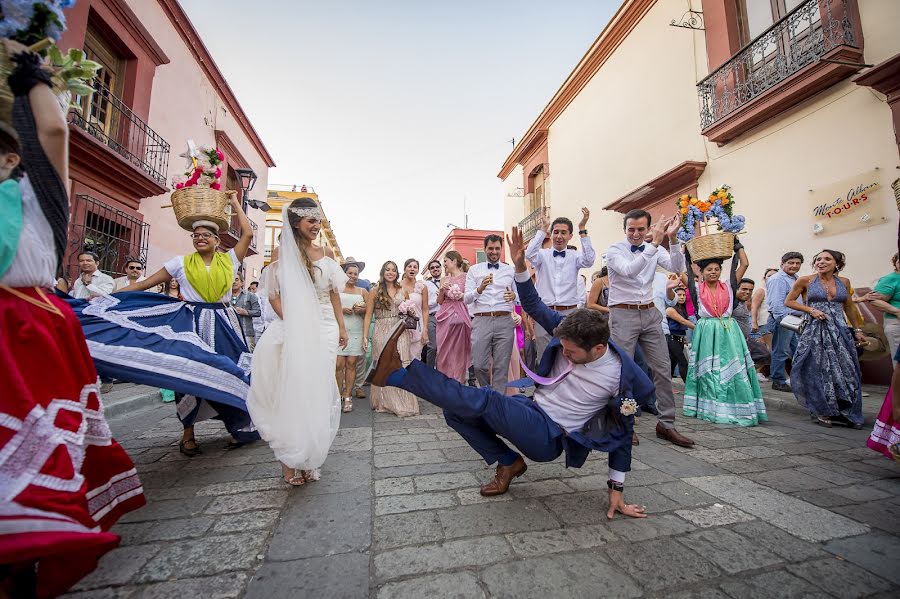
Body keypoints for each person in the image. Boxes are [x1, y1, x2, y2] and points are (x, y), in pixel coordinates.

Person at [366, 226, 653, 518]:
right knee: (455, 411)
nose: (563, 354)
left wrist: (616, 490)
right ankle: (508, 462)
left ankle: (397, 375)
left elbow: (622, 432)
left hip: (549, 435)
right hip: (530, 407)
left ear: (598, 348)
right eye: (562, 348)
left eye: (571, 353)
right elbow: (532, 303)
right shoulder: (572, 329)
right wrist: (518, 266)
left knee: (487, 399)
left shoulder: (622, 376)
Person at [0, 42, 144, 596]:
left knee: (31, 453)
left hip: (24, 333)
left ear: (13, 159)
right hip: (33, 329)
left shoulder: (33, 201)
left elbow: (54, 135)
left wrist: (28, 73)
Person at [115, 192, 259, 455]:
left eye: (206, 235)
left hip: (225, 322)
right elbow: (146, 284)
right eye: (196, 235)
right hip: (192, 322)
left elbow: (247, 234)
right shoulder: (179, 263)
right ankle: (188, 435)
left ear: (218, 241)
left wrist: (235, 201)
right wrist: (110, 297)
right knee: (188, 375)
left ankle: (239, 427)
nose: (200, 238)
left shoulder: (228, 260)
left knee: (233, 370)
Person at [248, 199, 348, 485]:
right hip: (291, 327)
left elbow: (334, 294)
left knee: (317, 391)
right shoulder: (283, 253)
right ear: (296, 224)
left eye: (318, 221)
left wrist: (342, 328)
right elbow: (274, 294)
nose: (316, 227)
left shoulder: (325, 253)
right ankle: (289, 463)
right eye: (311, 222)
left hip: (325, 328)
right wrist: (293, 321)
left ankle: (310, 457)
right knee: (291, 390)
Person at [606, 209, 694, 447]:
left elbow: (677, 266)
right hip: (623, 313)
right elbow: (628, 270)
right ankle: (625, 423)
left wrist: (672, 239)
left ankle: (666, 424)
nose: (636, 234)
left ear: (647, 228)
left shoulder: (658, 247)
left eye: (641, 229)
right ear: (625, 230)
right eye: (631, 229)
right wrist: (654, 243)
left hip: (649, 312)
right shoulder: (615, 250)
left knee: (663, 369)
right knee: (624, 370)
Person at [682, 242, 766, 426]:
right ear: (701, 272)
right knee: (709, 371)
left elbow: (744, 264)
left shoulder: (729, 286)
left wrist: (738, 246)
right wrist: (685, 253)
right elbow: (682, 269)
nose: (713, 272)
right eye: (709, 269)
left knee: (732, 366)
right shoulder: (696, 288)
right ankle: (711, 407)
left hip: (728, 330)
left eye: (717, 269)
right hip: (706, 331)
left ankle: (734, 404)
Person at [786, 250, 865, 428]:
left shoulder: (844, 282)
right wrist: (811, 310)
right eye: (818, 259)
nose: (821, 262)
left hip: (839, 331)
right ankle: (821, 410)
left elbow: (850, 307)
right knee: (817, 369)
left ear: (836, 263)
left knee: (847, 369)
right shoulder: (806, 280)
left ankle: (845, 410)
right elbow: (789, 301)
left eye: (827, 259)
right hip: (814, 330)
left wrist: (858, 329)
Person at [525, 208, 595, 358]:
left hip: (568, 313)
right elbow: (529, 253)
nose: (559, 236)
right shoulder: (542, 255)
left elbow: (589, 260)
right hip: (544, 312)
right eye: (556, 232)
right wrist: (543, 229)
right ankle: (547, 382)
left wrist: (582, 229)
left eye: (563, 232)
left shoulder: (575, 256)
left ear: (570, 236)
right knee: (545, 356)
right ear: (551, 234)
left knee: (569, 355)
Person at [363, 261, 421, 416]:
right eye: (388, 269)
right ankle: (385, 401)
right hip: (381, 329)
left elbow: (411, 312)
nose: (391, 272)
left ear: (397, 273)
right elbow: (368, 315)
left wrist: (410, 312)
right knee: (384, 364)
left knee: (402, 361)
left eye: (394, 270)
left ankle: (404, 402)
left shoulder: (403, 290)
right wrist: (364, 336)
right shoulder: (375, 291)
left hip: (400, 329)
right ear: (383, 272)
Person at [465, 234, 518, 393]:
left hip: (504, 320)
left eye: (497, 248)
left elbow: (519, 296)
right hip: (481, 321)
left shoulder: (510, 270)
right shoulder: (474, 270)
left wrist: (514, 296)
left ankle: (497, 403)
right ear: (484, 249)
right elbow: (466, 298)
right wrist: (479, 289)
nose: (494, 252)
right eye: (491, 248)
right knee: (480, 365)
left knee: (501, 367)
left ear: (501, 249)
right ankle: (488, 393)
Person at [767, 252, 804, 392]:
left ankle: (800, 380)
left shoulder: (795, 278)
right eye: (791, 263)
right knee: (780, 351)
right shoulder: (778, 279)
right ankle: (778, 381)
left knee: (799, 350)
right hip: (784, 319)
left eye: (797, 263)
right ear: (782, 263)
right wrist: (784, 320)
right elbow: (777, 304)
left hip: (795, 319)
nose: (794, 266)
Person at [435, 250, 471, 383]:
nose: (443, 264)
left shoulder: (466, 277)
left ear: (454, 261)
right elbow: (439, 301)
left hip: (461, 314)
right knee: (444, 350)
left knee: (459, 350)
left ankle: (459, 381)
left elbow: (469, 297)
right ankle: (445, 380)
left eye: (445, 261)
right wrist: (442, 290)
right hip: (445, 316)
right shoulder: (444, 279)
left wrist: (460, 295)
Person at [337, 260, 368, 412]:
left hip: (356, 330)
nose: (353, 276)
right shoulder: (336, 289)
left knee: (351, 363)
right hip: (339, 330)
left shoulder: (363, 292)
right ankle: (337, 396)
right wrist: (341, 309)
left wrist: (362, 310)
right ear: (344, 274)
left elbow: (370, 312)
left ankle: (348, 396)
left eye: (356, 274)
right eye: (350, 273)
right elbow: (328, 307)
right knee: (338, 365)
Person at [732, 277, 771, 380]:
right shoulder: (732, 303)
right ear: (736, 288)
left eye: (750, 290)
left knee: (765, 354)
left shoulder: (743, 302)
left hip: (746, 339)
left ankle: (745, 374)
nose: (748, 292)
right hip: (734, 341)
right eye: (744, 289)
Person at [862, 253, 900, 357]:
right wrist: (897, 311)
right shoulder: (890, 279)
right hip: (896, 323)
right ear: (895, 263)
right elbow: (873, 299)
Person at [665, 286, 693, 382]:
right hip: (671, 339)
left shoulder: (683, 309)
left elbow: (682, 326)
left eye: (684, 295)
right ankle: (689, 387)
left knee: (673, 363)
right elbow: (683, 322)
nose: (682, 297)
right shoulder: (670, 309)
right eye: (679, 295)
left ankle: (667, 387)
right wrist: (700, 328)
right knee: (683, 362)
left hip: (679, 339)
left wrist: (684, 338)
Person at [231, 273, 261, 351]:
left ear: (242, 282)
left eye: (236, 279)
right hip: (230, 332)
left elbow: (258, 312)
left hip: (246, 333)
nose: (234, 282)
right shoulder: (225, 296)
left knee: (247, 358)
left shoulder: (250, 295)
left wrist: (246, 312)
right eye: (231, 279)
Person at [423, 259, 442, 368]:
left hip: (445, 317)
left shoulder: (448, 281)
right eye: (432, 268)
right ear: (430, 271)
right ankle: (429, 372)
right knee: (433, 347)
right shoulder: (426, 285)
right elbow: (425, 304)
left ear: (441, 268)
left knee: (444, 348)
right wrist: (438, 298)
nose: (435, 269)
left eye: (437, 267)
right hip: (432, 317)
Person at [750, 268, 778, 339]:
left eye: (775, 276)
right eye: (769, 276)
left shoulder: (778, 292)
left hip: (777, 324)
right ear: (764, 278)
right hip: (765, 324)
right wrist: (754, 323)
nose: (772, 278)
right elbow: (754, 307)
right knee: (769, 348)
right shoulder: (762, 291)